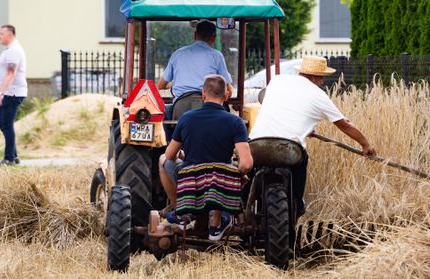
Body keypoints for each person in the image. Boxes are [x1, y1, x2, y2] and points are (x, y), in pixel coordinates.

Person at [249, 55, 376, 216]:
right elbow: (345, 124)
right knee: (301, 160)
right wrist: (365, 144)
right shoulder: (319, 96)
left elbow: (279, 104)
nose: (322, 81)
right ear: (315, 76)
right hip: (288, 148)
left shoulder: (278, 80)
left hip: (255, 143)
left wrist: (303, 127)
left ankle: (244, 201)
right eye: (322, 77)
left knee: (250, 169)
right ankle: (297, 203)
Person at [159, 75, 253, 240]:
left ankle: (181, 213)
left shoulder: (186, 118)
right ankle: (216, 225)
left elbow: (170, 155)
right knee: (225, 168)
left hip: (190, 179)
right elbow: (246, 163)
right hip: (220, 181)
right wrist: (237, 175)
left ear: (203, 94)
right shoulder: (235, 122)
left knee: (162, 160)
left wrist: (184, 154)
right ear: (226, 96)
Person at [157, 20, 233, 119]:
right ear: (214, 38)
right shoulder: (217, 56)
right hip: (208, 107)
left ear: (195, 35)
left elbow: (160, 85)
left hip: (180, 108)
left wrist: (173, 84)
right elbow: (228, 89)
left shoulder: (178, 54)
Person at [0, 25, 27, 166]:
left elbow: (11, 73)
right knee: (1, 122)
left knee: (6, 124)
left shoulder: (13, 51)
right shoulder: (9, 49)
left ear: (10, 35)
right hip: (8, 92)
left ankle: (9, 159)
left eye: (2, 33)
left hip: (13, 93)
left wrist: (0, 92)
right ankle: (14, 156)